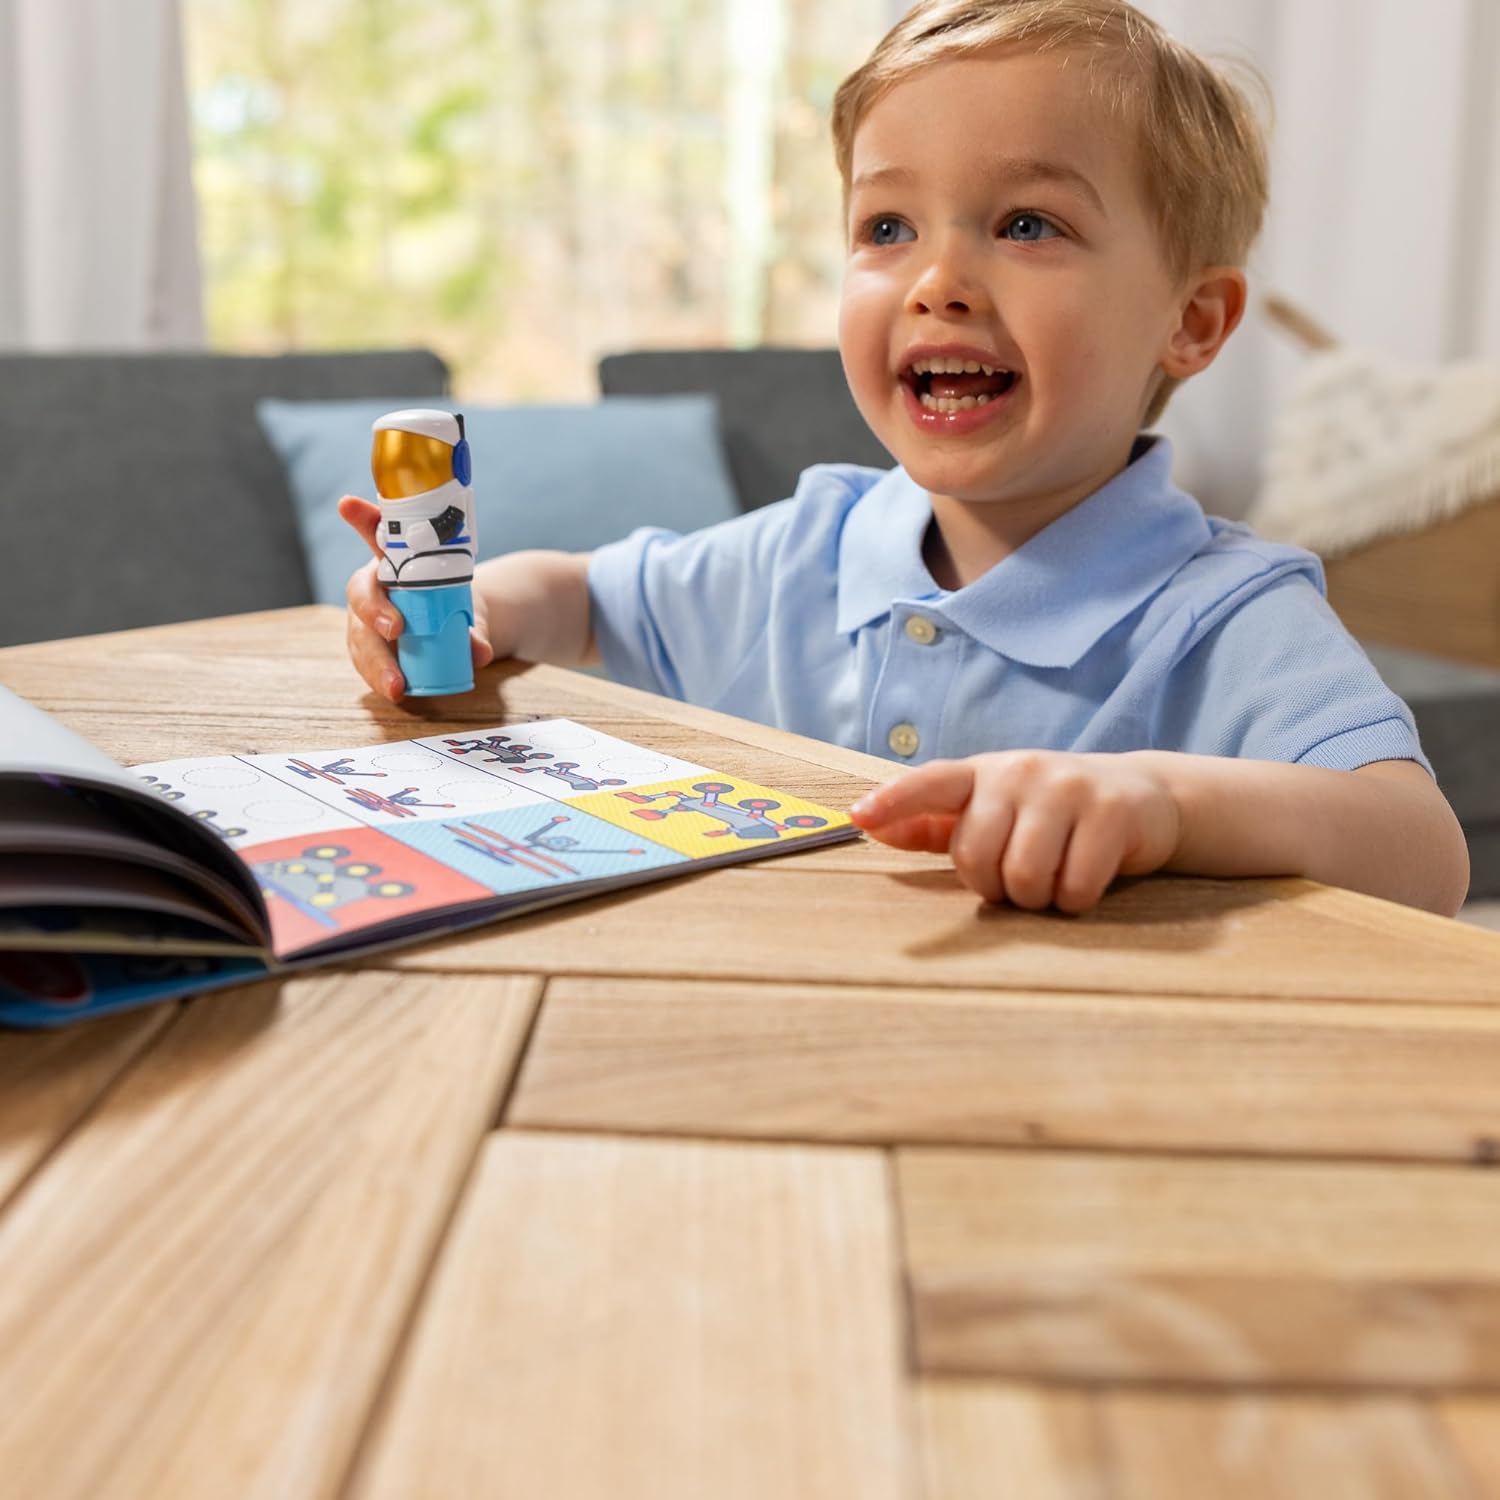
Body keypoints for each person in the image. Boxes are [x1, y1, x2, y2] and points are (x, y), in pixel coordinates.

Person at [341, 0, 1470, 917]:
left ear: (1191, 321)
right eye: (888, 228)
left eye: (1027, 224)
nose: (937, 280)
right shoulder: (803, 550)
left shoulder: (1223, 613)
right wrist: (470, 607)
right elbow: (579, 598)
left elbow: (1423, 853)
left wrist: (1164, 803)